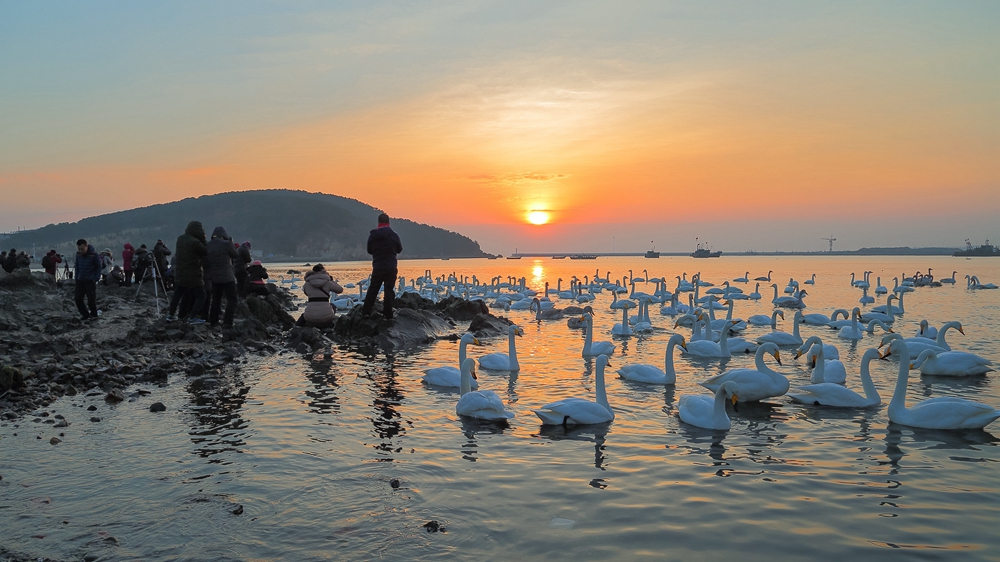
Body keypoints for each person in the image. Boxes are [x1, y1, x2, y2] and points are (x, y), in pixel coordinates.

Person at [361, 212, 402, 320]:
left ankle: (366, 312)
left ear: (378, 222)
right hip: (390, 266)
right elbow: (399, 249)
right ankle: (388, 313)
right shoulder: (394, 235)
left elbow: (369, 250)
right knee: (389, 289)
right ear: (388, 222)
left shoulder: (372, 235)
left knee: (373, 289)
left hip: (378, 266)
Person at [165, 221, 208, 323]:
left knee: (178, 294)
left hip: (180, 272)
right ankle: (192, 317)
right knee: (202, 295)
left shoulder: (180, 239)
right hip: (193, 274)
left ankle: (171, 315)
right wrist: (203, 238)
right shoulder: (195, 242)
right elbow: (206, 251)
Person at [205, 226, 239, 327]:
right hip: (227, 277)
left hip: (214, 277)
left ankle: (213, 321)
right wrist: (231, 243)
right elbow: (236, 255)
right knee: (232, 299)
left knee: (216, 299)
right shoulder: (227, 244)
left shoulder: (208, 245)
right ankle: (227, 322)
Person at [297, 264, 343, 329]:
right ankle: (328, 327)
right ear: (324, 271)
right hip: (326, 317)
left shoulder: (307, 284)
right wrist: (332, 281)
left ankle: (296, 328)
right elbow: (340, 290)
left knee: (304, 314)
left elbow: (307, 293)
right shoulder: (328, 283)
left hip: (310, 317)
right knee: (333, 306)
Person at [74, 239, 102, 321]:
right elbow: (77, 267)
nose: (80, 251)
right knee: (78, 299)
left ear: (86, 246)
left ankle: (94, 315)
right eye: (79, 249)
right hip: (80, 280)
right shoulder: (78, 255)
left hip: (90, 281)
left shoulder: (94, 255)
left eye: (82, 249)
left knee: (91, 300)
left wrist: (96, 278)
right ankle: (85, 314)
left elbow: (98, 267)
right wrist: (76, 277)